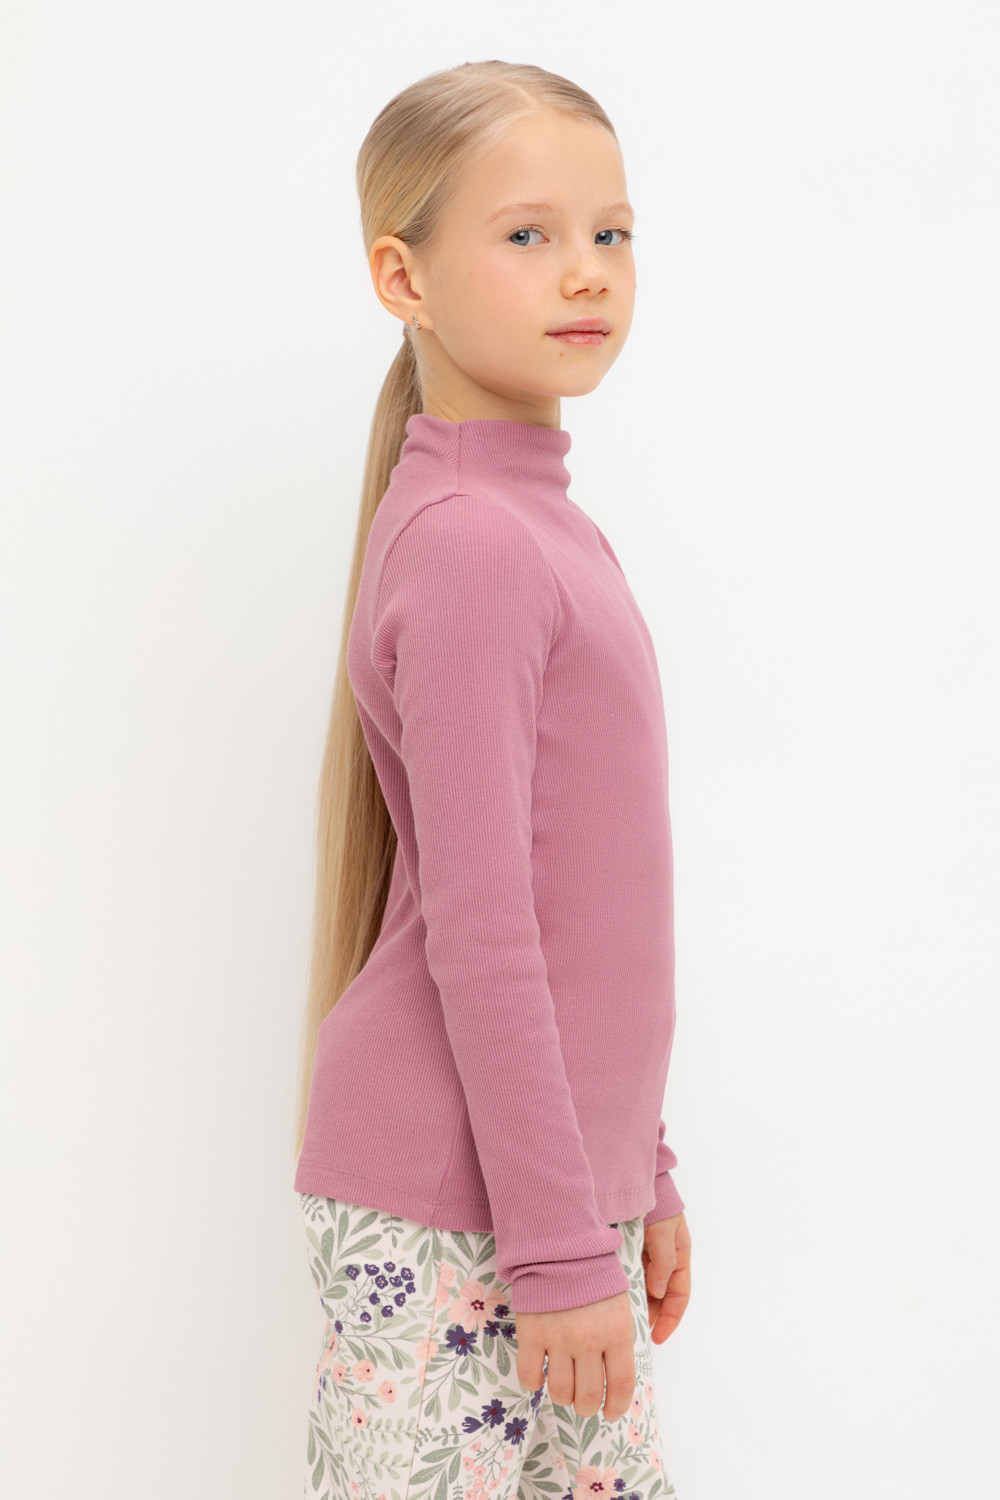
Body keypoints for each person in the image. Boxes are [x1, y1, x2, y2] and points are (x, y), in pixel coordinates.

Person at [291, 58, 691, 1500]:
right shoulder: (470, 539)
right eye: (529, 234)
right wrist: (562, 1243)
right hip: (455, 1215)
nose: (587, 271)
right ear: (402, 277)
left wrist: (640, 1172)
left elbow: (595, 908)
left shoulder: (542, 528)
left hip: (549, 1201)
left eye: (611, 232)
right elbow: (486, 927)